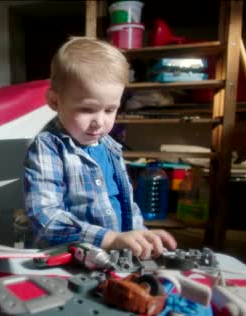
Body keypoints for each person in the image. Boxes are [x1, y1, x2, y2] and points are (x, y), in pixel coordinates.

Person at [23, 36, 177, 259]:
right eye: (87, 110)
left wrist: (141, 236)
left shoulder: (111, 148)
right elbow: (45, 218)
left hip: (113, 258)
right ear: (55, 102)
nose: (100, 122)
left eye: (110, 110)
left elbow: (128, 205)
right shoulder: (48, 147)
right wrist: (111, 239)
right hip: (64, 259)